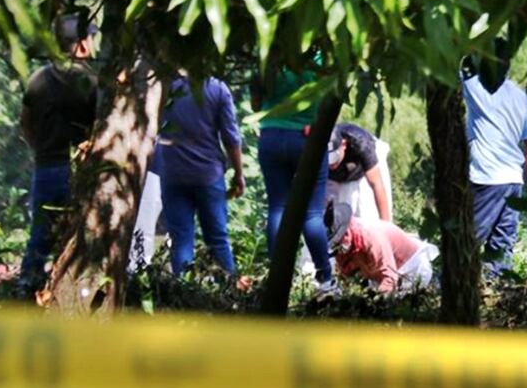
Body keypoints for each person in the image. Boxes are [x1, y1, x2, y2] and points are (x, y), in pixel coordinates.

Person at [18, 12, 98, 291]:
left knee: (40, 235)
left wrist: (40, 148)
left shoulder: (37, 79)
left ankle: (27, 286)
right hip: (77, 171)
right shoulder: (90, 82)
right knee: (78, 234)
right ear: (83, 45)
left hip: (45, 167)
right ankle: (70, 289)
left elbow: (25, 122)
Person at [251, 56, 336, 295]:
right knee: (312, 213)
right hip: (307, 137)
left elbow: (256, 104)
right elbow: (329, 98)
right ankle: (325, 279)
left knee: (277, 208)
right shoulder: (318, 56)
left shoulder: (268, 56)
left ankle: (276, 277)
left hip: (271, 137)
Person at [158, 74, 245, 276]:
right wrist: (239, 173)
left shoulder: (167, 86)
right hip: (208, 175)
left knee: (181, 240)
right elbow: (231, 137)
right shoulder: (218, 88)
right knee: (218, 239)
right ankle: (227, 288)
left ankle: (183, 289)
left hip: (173, 173)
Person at [462, 61, 527, 277]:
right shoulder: (521, 96)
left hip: (488, 177)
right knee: (502, 244)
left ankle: (448, 285)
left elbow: (461, 66)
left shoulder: (477, 88)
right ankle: (498, 285)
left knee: (469, 238)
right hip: (513, 179)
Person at [325, 202, 438, 294]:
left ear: (346, 233)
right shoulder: (344, 243)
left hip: (411, 270)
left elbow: (389, 278)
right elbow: (345, 272)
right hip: (380, 274)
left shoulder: (371, 238)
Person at [327, 122, 393, 222]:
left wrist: (386, 226)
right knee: (333, 219)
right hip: (337, 177)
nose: (331, 163)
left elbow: (376, 184)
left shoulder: (361, 143)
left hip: (365, 169)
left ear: (343, 145)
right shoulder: (313, 148)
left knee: (368, 217)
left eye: (334, 157)